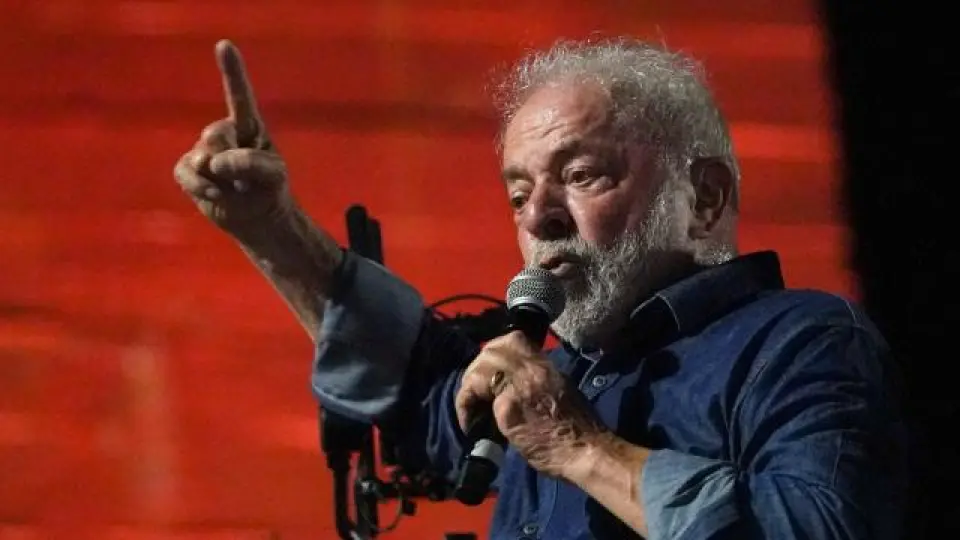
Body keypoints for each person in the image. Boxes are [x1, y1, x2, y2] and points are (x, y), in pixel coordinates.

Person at [174, 37, 909, 539]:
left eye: (580, 175)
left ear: (704, 198)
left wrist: (577, 445)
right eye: (518, 194)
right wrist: (272, 228)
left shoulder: (801, 341)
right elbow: (414, 385)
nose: (537, 218)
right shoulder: (556, 375)